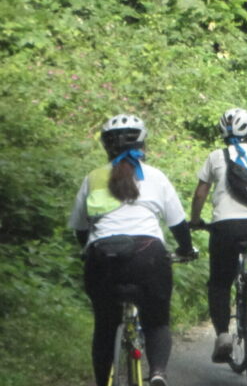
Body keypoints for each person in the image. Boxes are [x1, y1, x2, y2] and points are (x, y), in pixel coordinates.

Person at [69, 114, 195, 386]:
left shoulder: (93, 178)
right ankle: (157, 372)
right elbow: (178, 224)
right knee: (157, 322)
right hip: (148, 255)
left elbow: (80, 228)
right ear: (142, 143)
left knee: (104, 327)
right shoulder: (155, 177)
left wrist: (87, 250)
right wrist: (186, 249)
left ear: (106, 146)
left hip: (102, 257)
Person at [189, 108, 247, 363]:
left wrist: (195, 221)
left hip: (227, 228)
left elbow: (200, 194)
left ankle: (222, 335)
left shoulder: (216, 157)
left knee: (219, 282)